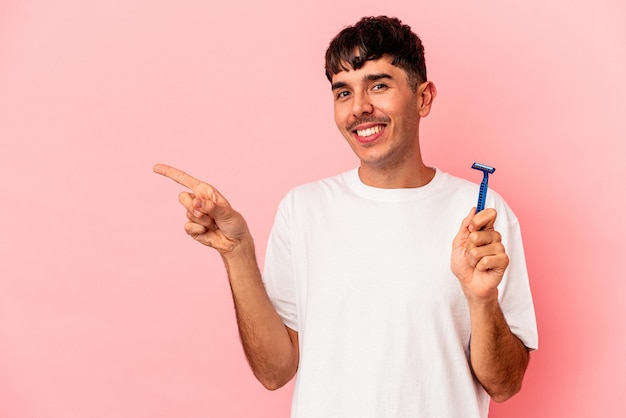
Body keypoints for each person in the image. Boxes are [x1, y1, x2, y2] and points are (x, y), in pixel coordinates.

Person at [153, 15, 537, 418]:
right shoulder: (303, 209)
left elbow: (505, 385)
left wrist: (482, 299)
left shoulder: (481, 217)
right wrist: (237, 253)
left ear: (423, 98)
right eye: (343, 93)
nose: (359, 109)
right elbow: (275, 371)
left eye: (379, 85)